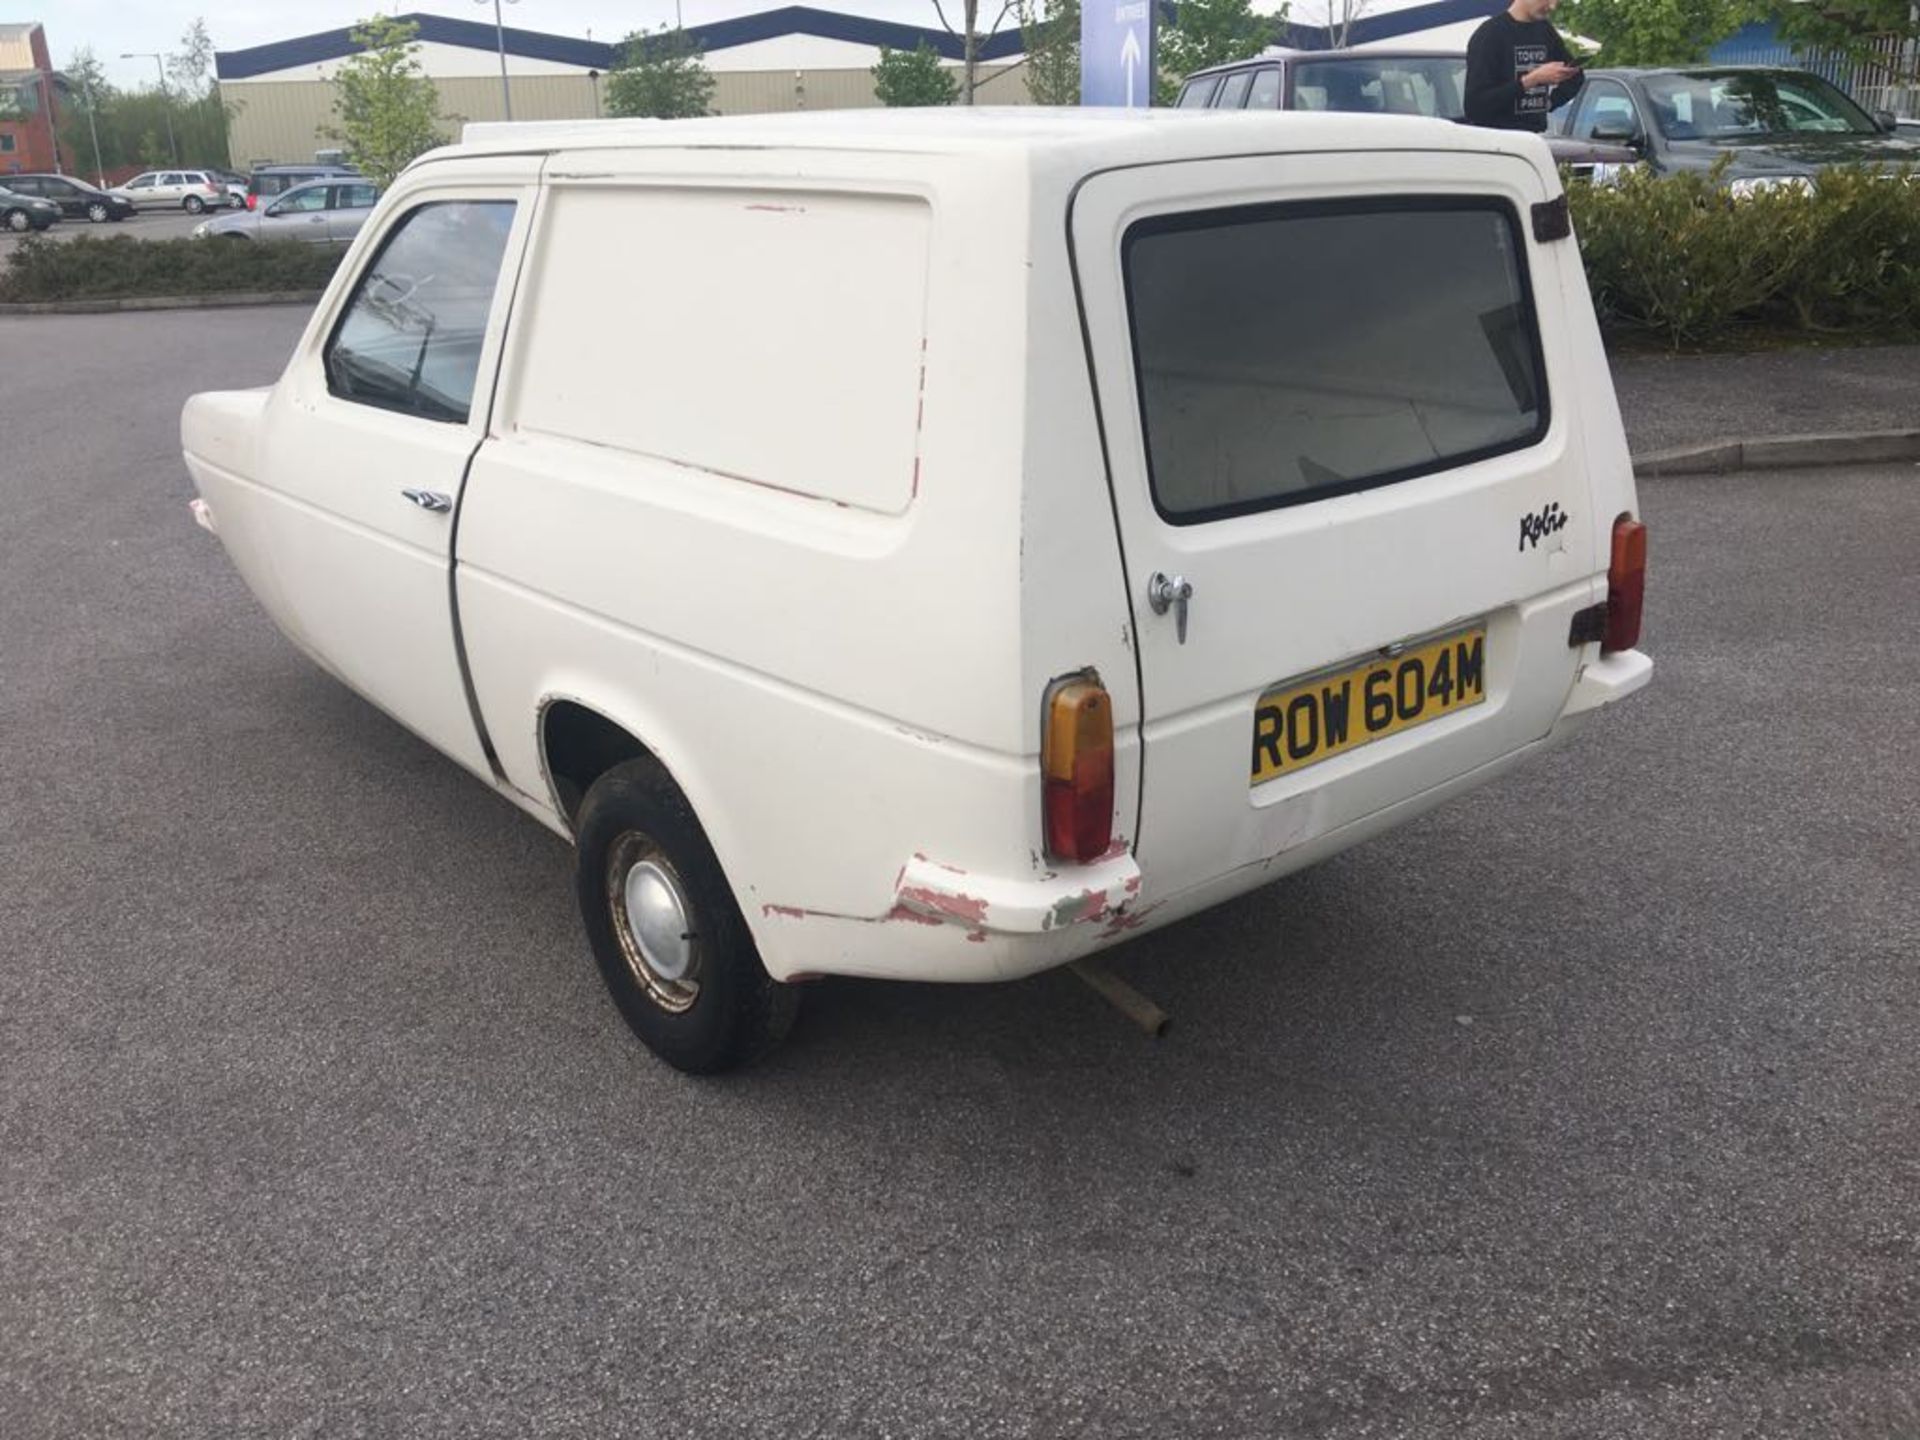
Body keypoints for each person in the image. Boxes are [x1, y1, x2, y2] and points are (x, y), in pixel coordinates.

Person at [1463, 0, 1585, 132]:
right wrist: (1531, 80)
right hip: (1498, 139)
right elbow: (1474, 107)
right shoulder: (1490, 34)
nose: (1552, 6)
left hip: (1535, 137)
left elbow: (1575, 75)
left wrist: (1550, 102)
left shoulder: (1544, 30)